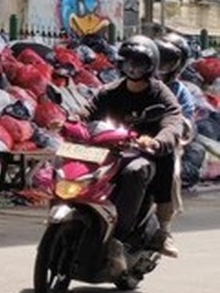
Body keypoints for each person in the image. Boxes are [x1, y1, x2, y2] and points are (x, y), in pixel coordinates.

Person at [78, 35, 185, 256]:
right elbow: (87, 110)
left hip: (145, 152)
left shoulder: (160, 93)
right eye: (129, 61)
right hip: (111, 148)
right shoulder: (110, 91)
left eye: (140, 62)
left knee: (136, 171)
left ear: (151, 66)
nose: (133, 67)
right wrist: (68, 121)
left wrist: (157, 140)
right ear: (121, 64)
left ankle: (157, 232)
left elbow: (173, 120)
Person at [151, 33, 195, 256]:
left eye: (167, 61)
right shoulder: (136, 80)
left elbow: (185, 122)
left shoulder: (181, 92)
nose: (161, 66)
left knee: (170, 172)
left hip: (161, 144)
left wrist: (172, 131)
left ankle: (164, 230)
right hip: (128, 139)